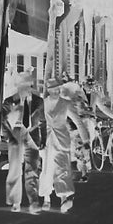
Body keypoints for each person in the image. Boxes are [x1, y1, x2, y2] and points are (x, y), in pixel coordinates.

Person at [0, 73, 46, 213]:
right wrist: (10, 137)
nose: (25, 89)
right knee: (15, 169)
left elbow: (43, 121)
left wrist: (43, 139)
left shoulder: (38, 101)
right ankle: (15, 201)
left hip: (32, 136)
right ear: (18, 86)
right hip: (16, 134)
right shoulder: (9, 101)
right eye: (22, 86)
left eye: (27, 86)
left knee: (32, 169)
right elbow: (3, 121)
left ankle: (34, 202)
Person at [39, 81, 82, 213]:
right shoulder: (43, 104)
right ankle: (47, 198)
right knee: (47, 169)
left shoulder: (66, 103)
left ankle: (64, 198)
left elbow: (77, 121)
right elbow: (38, 122)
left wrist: (85, 140)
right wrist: (38, 140)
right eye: (53, 89)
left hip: (62, 140)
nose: (56, 91)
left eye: (58, 89)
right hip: (46, 140)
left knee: (62, 168)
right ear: (48, 90)